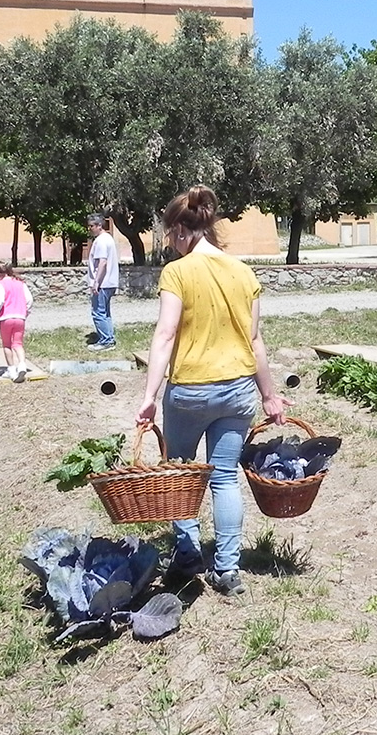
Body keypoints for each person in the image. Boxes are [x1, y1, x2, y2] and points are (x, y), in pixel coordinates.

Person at [135, 185, 289, 597]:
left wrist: (149, 396)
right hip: (238, 392)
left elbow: (166, 333)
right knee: (223, 479)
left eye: (169, 234)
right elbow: (255, 340)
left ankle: (186, 556)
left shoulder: (178, 272)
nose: (169, 242)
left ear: (183, 231)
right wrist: (270, 395)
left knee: (182, 477)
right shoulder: (244, 273)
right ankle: (227, 570)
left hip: (189, 392)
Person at [0, 261, 34, 383]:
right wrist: (26, 312)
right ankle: (22, 365)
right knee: (18, 344)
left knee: (7, 345)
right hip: (20, 317)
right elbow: (29, 300)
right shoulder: (20, 283)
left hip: (6, 318)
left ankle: (11, 371)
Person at [85, 214, 119, 351]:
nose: (90, 228)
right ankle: (108, 338)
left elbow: (102, 262)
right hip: (108, 282)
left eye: (92, 226)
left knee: (98, 312)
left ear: (99, 226)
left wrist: (96, 283)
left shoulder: (101, 241)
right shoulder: (108, 239)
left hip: (103, 283)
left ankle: (106, 341)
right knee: (105, 312)